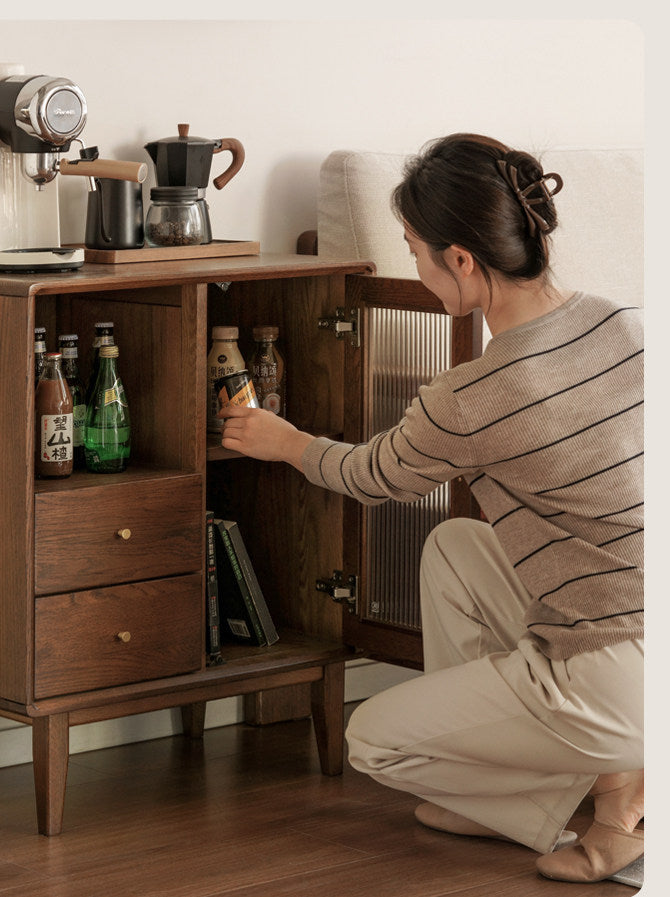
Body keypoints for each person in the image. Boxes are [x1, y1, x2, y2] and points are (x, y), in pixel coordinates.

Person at [218, 133, 644, 884]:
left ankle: (610, 789)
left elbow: (371, 474)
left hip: (615, 669)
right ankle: (563, 783)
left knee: (376, 739)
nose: (411, 266)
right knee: (455, 546)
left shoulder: (474, 396)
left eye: (413, 248)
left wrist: (284, 441)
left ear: (461, 260)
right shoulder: (621, 322)